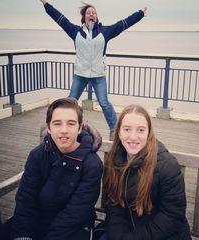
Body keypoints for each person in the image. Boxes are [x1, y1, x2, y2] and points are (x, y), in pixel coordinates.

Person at [0, 97, 103, 240]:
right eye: (57, 123)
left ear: (80, 128)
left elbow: (76, 213)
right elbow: (25, 201)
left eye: (71, 124)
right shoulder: (38, 155)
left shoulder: (92, 164)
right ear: (49, 127)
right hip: (38, 218)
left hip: (73, 227)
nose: (64, 130)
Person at [39, 0, 147, 140]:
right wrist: (46, 4)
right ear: (84, 17)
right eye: (89, 12)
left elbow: (123, 24)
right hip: (80, 75)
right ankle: (56, 127)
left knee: (104, 103)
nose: (92, 14)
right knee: (69, 102)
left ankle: (114, 130)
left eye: (94, 12)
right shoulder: (75, 32)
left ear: (97, 17)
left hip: (98, 75)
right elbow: (59, 18)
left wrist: (140, 14)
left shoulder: (105, 32)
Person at [93, 104, 192, 240]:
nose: (133, 137)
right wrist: (120, 239)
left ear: (149, 133)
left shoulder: (167, 166)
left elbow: (172, 216)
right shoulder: (113, 160)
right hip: (125, 234)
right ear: (119, 132)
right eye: (127, 129)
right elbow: (113, 205)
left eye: (140, 130)